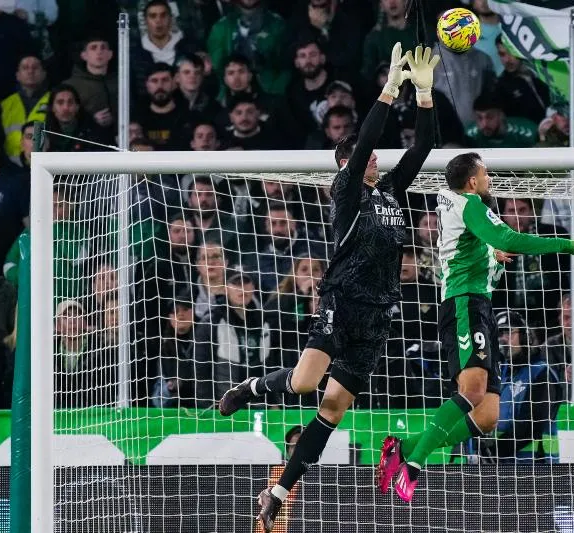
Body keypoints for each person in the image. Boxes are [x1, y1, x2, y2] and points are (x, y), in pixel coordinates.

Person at [217, 43, 439, 531]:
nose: (376, 161)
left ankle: (279, 491)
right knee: (302, 383)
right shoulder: (345, 191)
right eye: (367, 157)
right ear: (347, 164)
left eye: (377, 158)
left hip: (378, 314)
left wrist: (423, 94)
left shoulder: (391, 194)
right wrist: (388, 89)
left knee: (333, 408)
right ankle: (250, 386)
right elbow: (362, 146)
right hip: (342, 300)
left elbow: (423, 148)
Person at [379, 151, 574, 503]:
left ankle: (401, 447)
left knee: (486, 417)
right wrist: (568, 244)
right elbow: (511, 239)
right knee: (472, 390)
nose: (490, 177)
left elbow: (482, 244)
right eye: (485, 172)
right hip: (464, 304)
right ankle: (415, 464)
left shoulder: (462, 208)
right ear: (472, 181)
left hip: (478, 305)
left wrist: (488, 255)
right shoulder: (469, 204)